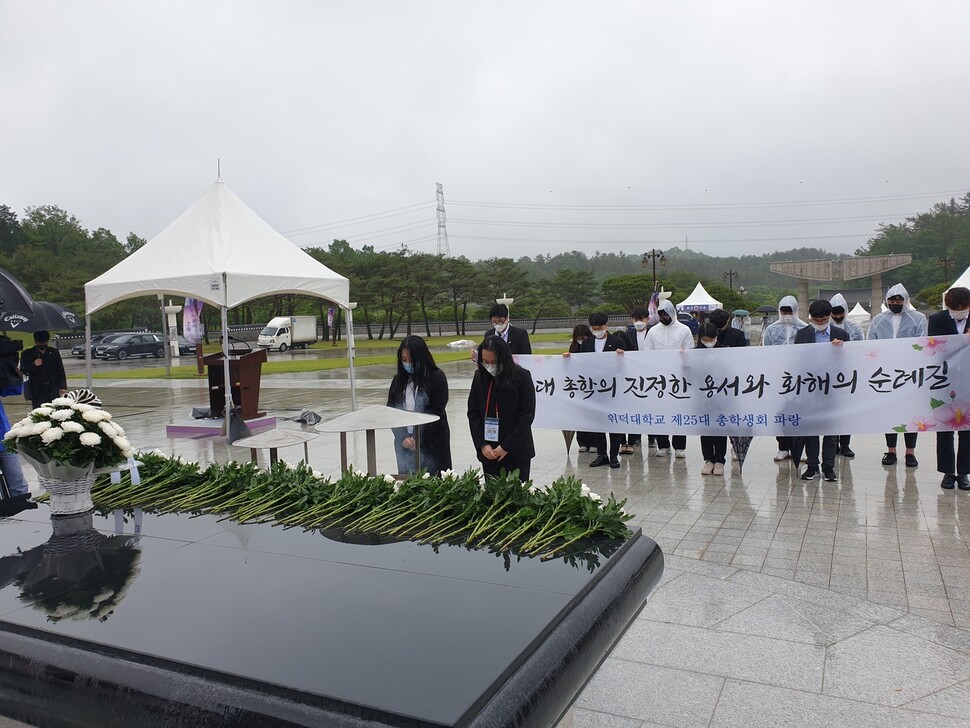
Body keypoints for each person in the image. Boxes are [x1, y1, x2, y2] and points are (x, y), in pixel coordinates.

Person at [867, 284, 928, 468]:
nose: (895, 302)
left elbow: (922, 342)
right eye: (892, 299)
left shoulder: (918, 318)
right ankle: (891, 450)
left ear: (905, 299)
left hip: (910, 373)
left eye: (899, 299)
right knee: (890, 414)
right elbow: (871, 342)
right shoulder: (878, 320)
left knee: (910, 413)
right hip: (886, 373)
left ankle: (910, 452)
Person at [790, 300, 850, 481]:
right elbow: (797, 361)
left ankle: (829, 467)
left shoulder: (842, 334)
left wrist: (842, 350)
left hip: (833, 389)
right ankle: (812, 465)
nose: (819, 322)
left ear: (830, 316)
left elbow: (850, 362)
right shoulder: (802, 334)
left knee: (831, 431)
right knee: (811, 429)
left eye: (822, 319)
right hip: (810, 389)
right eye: (815, 319)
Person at [468, 336, 536, 482]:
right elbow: (473, 413)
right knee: (493, 498)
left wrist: (506, 446)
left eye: (494, 362)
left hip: (516, 450)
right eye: (485, 362)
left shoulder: (521, 376)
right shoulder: (480, 377)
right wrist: (482, 444)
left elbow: (527, 415)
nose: (490, 366)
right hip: (489, 451)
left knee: (515, 497)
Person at [386, 335, 451, 476]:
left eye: (412, 360)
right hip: (405, 443)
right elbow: (391, 410)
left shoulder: (436, 377)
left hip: (431, 441)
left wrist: (418, 438)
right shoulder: (398, 381)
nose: (408, 363)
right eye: (404, 360)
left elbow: (436, 411)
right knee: (408, 482)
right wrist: (402, 436)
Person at [569, 312, 625, 468]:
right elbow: (580, 362)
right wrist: (568, 358)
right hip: (594, 389)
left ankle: (614, 455)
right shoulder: (587, 344)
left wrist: (623, 356)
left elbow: (628, 364)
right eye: (594, 328)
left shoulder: (617, 341)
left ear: (606, 326)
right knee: (598, 423)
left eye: (599, 327)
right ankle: (602, 454)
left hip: (613, 389)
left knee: (614, 423)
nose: (597, 330)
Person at [929, 286, 970, 490]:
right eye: (955, 308)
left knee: (967, 429)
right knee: (945, 428)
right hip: (945, 381)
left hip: (969, 380)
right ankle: (947, 472)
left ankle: (964, 473)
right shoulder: (937, 319)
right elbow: (934, 348)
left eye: (963, 308)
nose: (959, 311)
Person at [761, 295, 808, 462]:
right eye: (784, 311)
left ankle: (799, 449)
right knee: (780, 414)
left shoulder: (805, 328)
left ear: (795, 310)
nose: (787, 314)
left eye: (790, 311)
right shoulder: (771, 330)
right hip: (778, 378)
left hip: (799, 379)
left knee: (799, 414)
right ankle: (783, 447)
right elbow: (765, 353)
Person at [645, 300, 694, 457]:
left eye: (666, 314)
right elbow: (646, 353)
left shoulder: (684, 330)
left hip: (678, 379)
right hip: (658, 379)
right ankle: (663, 444)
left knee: (679, 412)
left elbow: (690, 352)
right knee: (660, 412)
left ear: (672, 313)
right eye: (660, 315)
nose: (663, 317)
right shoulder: (653, 332)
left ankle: (680, 446)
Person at [828, 293, 865, 459]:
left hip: (849, 374)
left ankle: (845, 444)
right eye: (834, 314)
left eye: (840, 314)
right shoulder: (825, 328)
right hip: (829, 376)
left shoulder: (854, 328)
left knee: (847, 411)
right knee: (833, 411)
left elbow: (860, 349)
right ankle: (833, 442)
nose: (837, 317)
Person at [0, 336, 29, 506]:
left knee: (19, 487)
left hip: (4, 438)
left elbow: (13, 389)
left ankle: (24, 516)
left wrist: (12, 369)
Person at [696, 323, 728, 476]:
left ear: (716, 337)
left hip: (721, 397)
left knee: (720, 428)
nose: (708, 342)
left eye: (711, 339)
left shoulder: (725, 351)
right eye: (705, 339)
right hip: (702, 398)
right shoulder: (694, 353)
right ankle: (708, 459)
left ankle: (720, 460)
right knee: (706, 429)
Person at [618, 306, 651, 454]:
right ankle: (634, 437)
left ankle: (653, 436)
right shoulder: (628, 334)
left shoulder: (653, 333)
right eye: (636, 319)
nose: (639, 322)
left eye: (641, 319)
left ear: (647, 319)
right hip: (632, 376)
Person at [19, 330, 67, 409]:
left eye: (45, 343)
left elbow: (60, 369)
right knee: (39, 411)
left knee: (54, 410)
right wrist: (34, 365)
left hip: (53, 387)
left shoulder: (54, 352)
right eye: (40, 343)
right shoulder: (27, 354)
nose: (43, 345)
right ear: (35, 342)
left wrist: (62, 386)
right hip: (37, 389)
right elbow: (23, 370)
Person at [567, 324, 596, 454]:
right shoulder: (573, 347)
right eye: (578, 337)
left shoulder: (592, 345)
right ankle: (583, 442)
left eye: (583, 337)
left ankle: (595, 442)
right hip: (578, 384)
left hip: (593, 384)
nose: (581, 339)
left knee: (593, 415)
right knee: (581, 415)